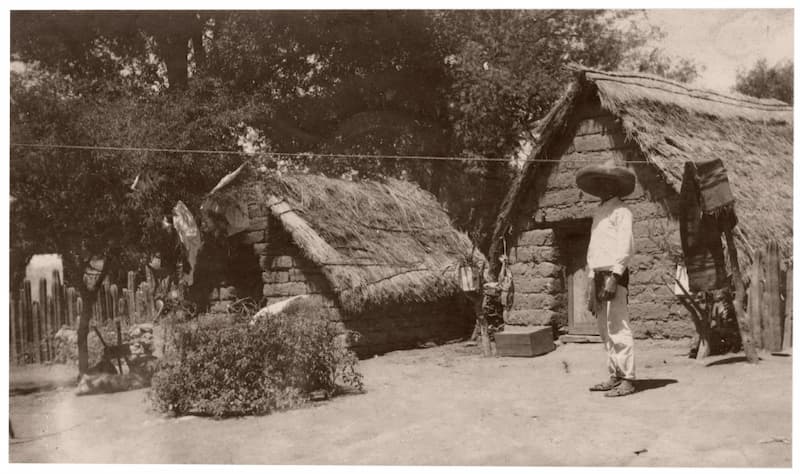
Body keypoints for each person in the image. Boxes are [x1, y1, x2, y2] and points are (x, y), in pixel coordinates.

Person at [576, 160, 637, 397]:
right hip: (598, 275)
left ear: (614, 186)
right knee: (604, 329)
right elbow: (594, 250)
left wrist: (614, 276)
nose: (600, 187)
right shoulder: (599, 212)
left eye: (604, 183)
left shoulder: (622, 211)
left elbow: (626, 247)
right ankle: (614, 375)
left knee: (618, 326)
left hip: (614, 274)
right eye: (597, 184)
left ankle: (628, 378)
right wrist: (592, 281)